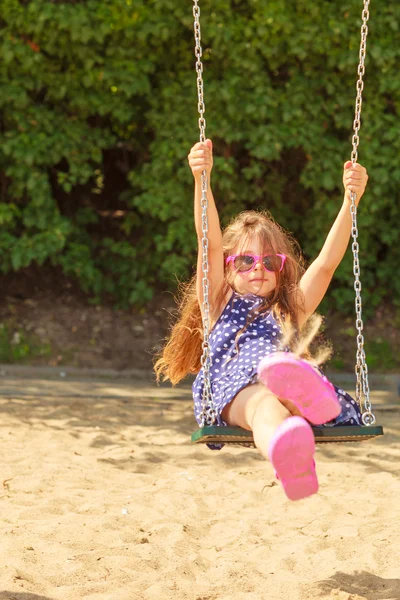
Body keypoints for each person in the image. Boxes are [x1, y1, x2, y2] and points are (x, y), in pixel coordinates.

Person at [154, 138, 369, 502]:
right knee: (261, 404)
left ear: (281, 269)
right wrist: (201, 180)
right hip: (233, 390)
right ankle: (295, 427)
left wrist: (352, 201)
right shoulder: (219, 300)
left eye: (270, 262)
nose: (259, 269)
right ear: (227, 266)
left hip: (276, 385)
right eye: (245, 261)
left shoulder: (287, 307)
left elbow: (326, 263)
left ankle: (297, 435)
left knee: (275, 404)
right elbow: (207, 241)